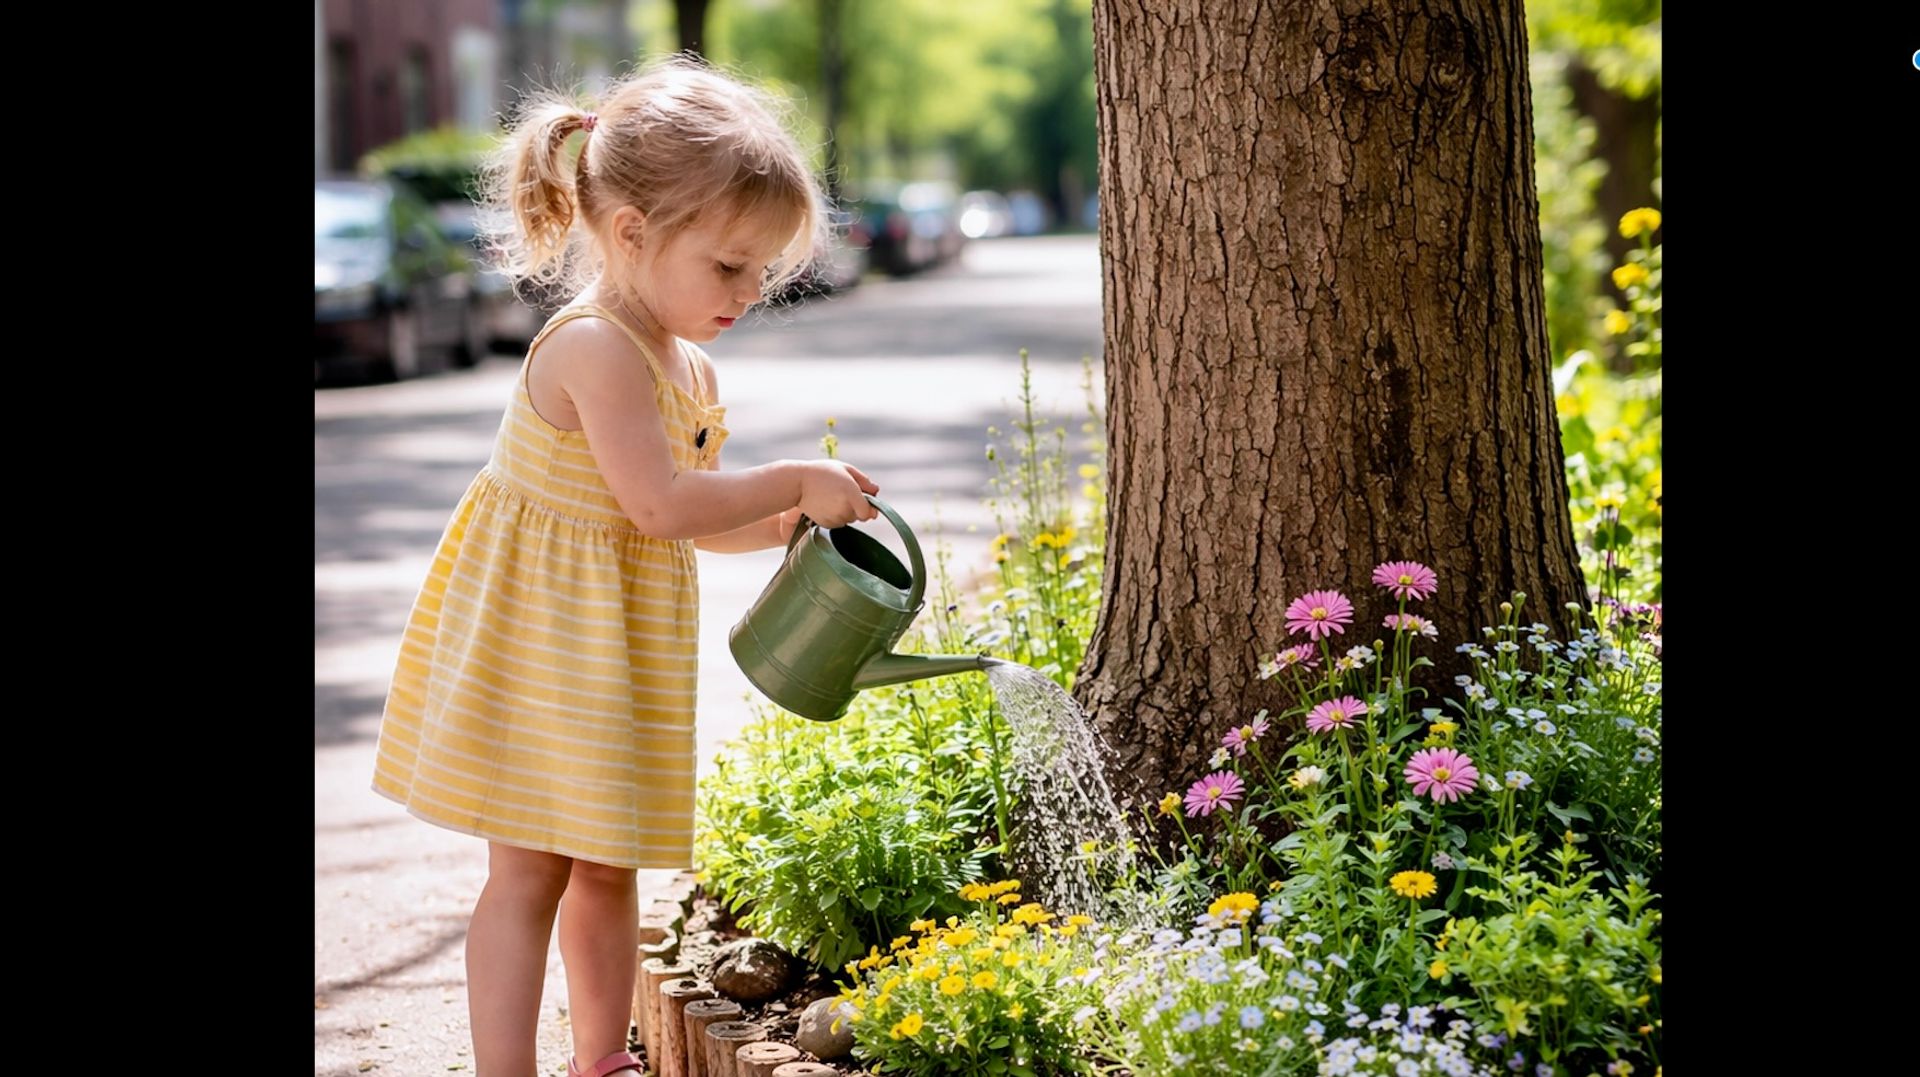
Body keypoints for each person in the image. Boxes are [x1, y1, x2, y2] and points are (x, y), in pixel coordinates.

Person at [370, 57, 879, 1077]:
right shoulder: (595, 348)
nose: (748, 293)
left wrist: (790, 524)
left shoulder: (688, 363)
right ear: (634, 233)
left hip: (610, 645)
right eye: (728, 267)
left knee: (607, 869)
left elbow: (695, 522)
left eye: (761, 272)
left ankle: (601, 1058)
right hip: (538, 636)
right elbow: (658, 506)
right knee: (527, 873)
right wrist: (789, 479)